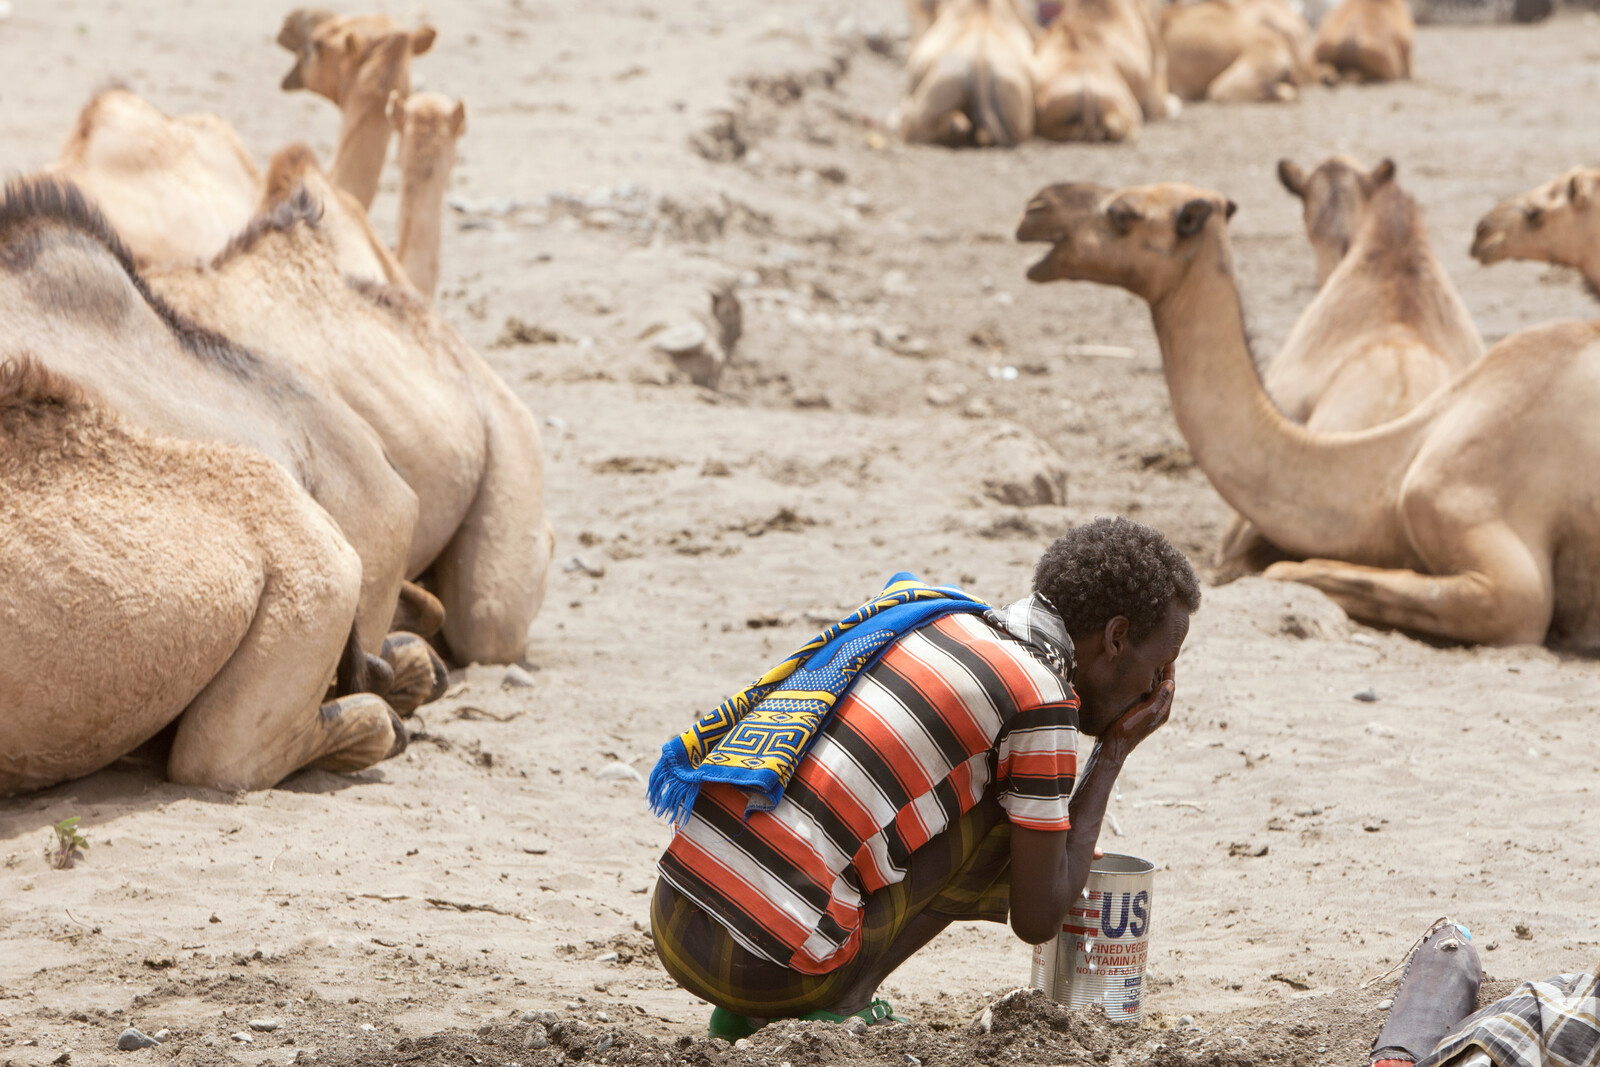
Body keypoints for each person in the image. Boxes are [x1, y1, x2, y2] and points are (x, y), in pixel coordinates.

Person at [646, 517, 1200, 1039]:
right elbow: (1039, 918)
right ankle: (839, 1002)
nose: (1154, 694)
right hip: (767, 969)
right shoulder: (1042, 697)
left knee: (1009, 809)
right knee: (1011, 824)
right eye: (1157, 672)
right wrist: (1113, 753)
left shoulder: (941, 618)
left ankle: (745, 1017)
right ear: (1116, 637)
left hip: (677, 919)